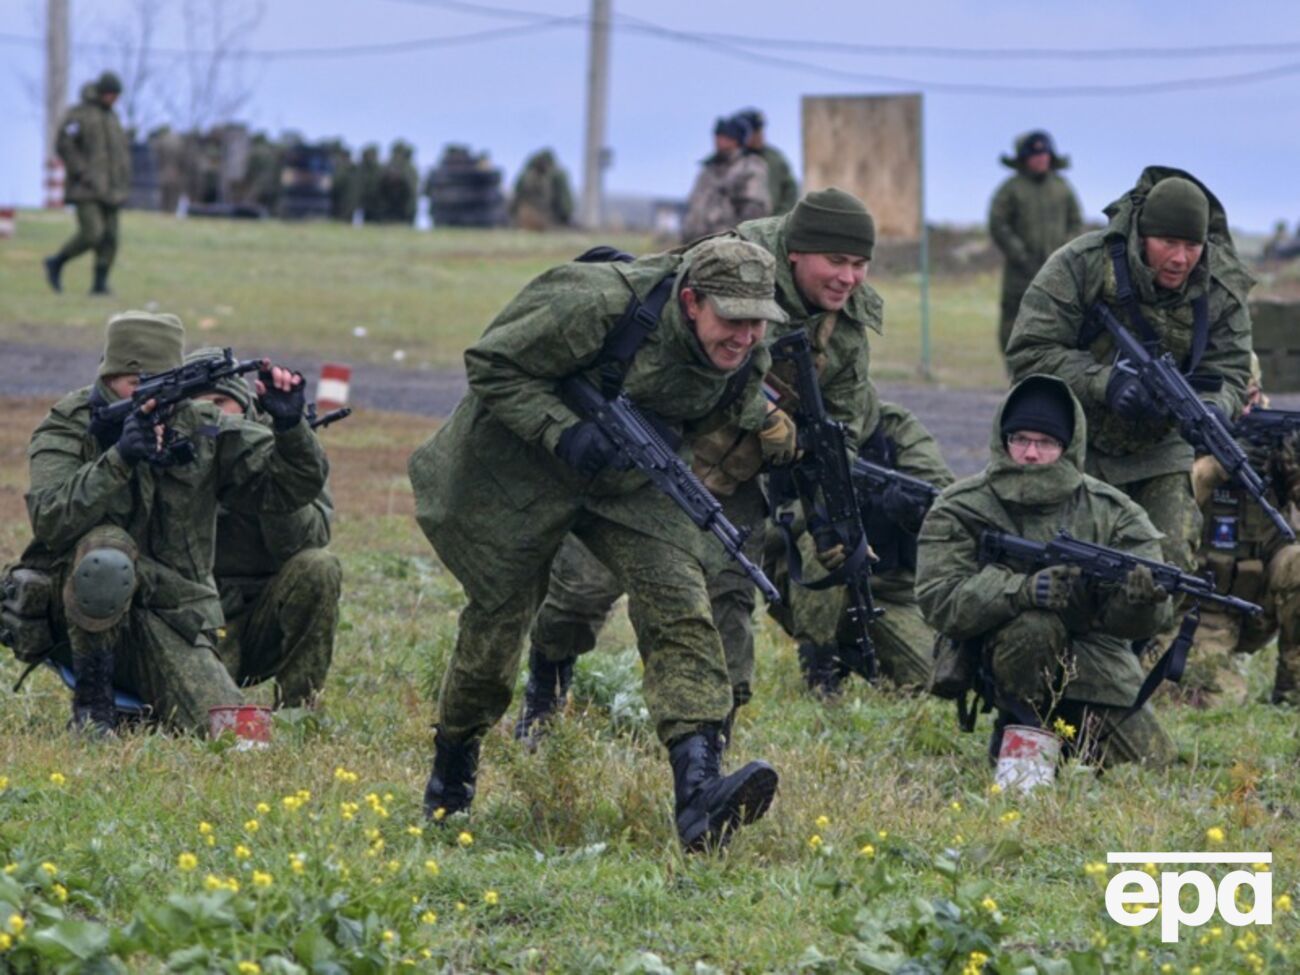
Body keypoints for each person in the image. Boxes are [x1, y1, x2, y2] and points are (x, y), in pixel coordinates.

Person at [408, 237, 794, 851]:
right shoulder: (593, 303)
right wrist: (565, 433)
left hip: (627, 476)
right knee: (497, 629)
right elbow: (491, 363)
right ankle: (450, 780)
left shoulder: (749, 349)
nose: (746, 336)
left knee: (681, 601)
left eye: (757, 322)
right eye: (733, 319)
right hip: (524, 464)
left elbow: (730, 405)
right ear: (691, 301)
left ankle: (699, 795)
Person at [513, 188, 884, 740]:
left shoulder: (848, 323)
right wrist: (761, 412)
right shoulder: (729, 267)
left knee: (730, 598)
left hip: (735, 479)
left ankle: (710, 749)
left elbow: (844, 424)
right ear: (797, 253)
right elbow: (670, 352)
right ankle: (545, 694)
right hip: (656, 453)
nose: (848, 278)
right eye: (837, 262)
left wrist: (832, 517)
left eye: (859, 265)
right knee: (582, 589)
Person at [12, 312, 326, 736]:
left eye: (159, 383)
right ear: (108, 377)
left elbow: (290, 488)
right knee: (107, 549)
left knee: (236, 739)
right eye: (132, 382)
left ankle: (142, 709)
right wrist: (119, 459)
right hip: (80, 622)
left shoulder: (198, 424)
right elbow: (50, 520)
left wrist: (290, 428)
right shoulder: (71, 424)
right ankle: (93, 708)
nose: (147, 397)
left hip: (173, 616)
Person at [916, 375, 1176, 769]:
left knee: (1154, 767)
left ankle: (1064, 735)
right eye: (1020, 439)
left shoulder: (1113, 511)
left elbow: (1136, 626)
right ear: (1002, 439)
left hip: (1093, 660)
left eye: (1046, 443)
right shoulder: (962, 505)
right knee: (1034, 625)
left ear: (1068, 446)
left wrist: (1141, 602)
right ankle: (1018, 738)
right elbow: (938, 598)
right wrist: (1020, 591)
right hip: (999, 653)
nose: (1031, 454)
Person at [1006, 167, 1254, 572]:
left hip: (1160, 447)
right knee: (1059, 563)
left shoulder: (1221, 290)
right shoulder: (1081, 264)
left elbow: (1230, 370)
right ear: (1142, 234)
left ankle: (1150, 637)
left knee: (1168, 563)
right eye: (1168, 242)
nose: (1180, 258)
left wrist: (1212, 407)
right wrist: (1105, 382)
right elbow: (1029, 353)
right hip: (1070, 438)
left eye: (1192, 245)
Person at [189, 350, 343, 709]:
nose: (211, 415)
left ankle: (299, 710)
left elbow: (308, 543)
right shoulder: (170, 450)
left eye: (220, 402)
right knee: (205, 718)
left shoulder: (288, 449)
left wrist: (272, 474)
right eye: (198, 407)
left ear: (243, 404)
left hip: (262, 618)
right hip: (194, 619)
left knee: (319, 567)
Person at [769, 400, 954, 696]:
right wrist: (818, 510)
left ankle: (852, 652)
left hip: (888, 592)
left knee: (930, 680)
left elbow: (943, 498)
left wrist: (911, 510)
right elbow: (759, 525)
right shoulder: (785, 427)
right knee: (822, 539)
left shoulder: (894, 427)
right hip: (807, 588)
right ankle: (820, 673)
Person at [1179, 355, 1300, 707]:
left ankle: (1291, 691)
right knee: (1208, 699)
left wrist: (1290, 463)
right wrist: (1215, 465)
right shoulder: (1183, 435)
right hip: (1204, 603)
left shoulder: (1276, 435)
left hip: (1262, 594)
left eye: (1247, 399)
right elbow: (1169, 518)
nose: (1240, 411)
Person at [988, 131, 1082, 359]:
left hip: (1058, 272)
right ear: (1023, 158)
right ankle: (1016, 371)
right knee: (1014, 322)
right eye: (1035, 154)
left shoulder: (1062, 188)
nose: (1041, 158)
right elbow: (998, 223)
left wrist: (1065, 251)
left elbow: (1075, 221)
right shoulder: (1011, 189)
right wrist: (1018, 253)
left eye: (1045, 153)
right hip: (1020, 273)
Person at [44, 71, 131, 296]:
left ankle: (99, 284)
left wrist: (123, 181)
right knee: (92, 233)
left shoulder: (113, 119)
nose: (114, 99)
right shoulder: (80, 115)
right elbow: (64, 143)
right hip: (86, 188)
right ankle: (57, 262)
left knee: (110, 238)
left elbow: (120, 154)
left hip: (112, 189)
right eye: (112, 94)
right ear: (103, 92)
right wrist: (81, 171)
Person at [681, 115, 770, 242]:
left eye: (725, 137)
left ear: (736, 140)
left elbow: (754, 210)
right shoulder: (708, 169)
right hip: (696, 243)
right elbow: (694, 205)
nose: (718, 140)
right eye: (717, 136)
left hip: (729, 246)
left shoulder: (749, 167)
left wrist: (738, 240)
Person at [737, 108, 798, 217]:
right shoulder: (732, 161)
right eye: (754, 132)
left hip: (772, 225)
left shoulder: (775, 159)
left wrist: (779, 218)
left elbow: (790, 191)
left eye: (759, 131)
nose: (758, 136)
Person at [510, 148, 575, 230]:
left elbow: (565, 202)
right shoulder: (554, 176)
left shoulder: (554, 176)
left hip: (542, 218)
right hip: (536, 218)